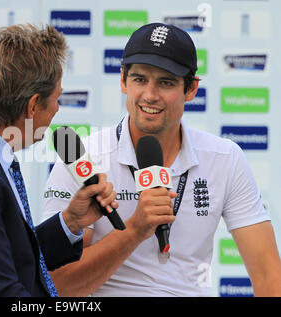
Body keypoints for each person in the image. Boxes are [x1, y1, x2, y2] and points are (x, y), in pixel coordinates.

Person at [43, 22, 281, 296]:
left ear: (191, 89)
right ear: (123, 80)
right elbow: (59, 285)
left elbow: (268, 275)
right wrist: (134, 230)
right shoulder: (82, 158)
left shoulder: (225, 158)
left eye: (166, 82)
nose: (150, 95)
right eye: (140, 79)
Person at [0, 24, 118, 297]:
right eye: (57, 98)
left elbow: (10, 258)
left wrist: (70, 222)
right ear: (32, 105)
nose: (58, 109)